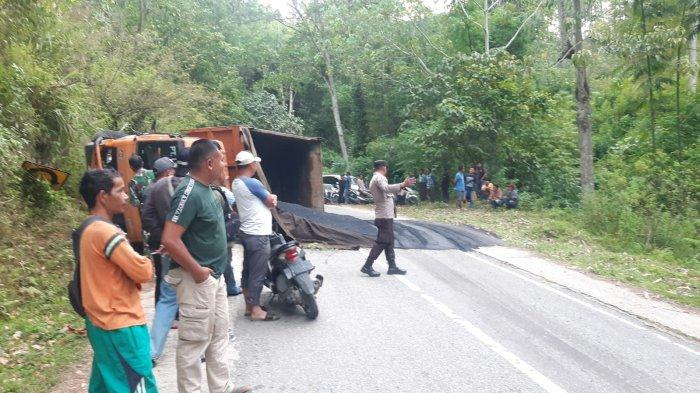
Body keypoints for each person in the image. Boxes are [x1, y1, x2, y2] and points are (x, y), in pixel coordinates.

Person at [161, 140, 251, 393]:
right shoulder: (188, 192)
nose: (225, 165)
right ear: (209, 162)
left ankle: (221, 388)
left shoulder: (210, 190)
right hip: (196, 280)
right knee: (194, 343)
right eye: (221, 160)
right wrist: (198, 271)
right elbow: (169, 239)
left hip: (215, 277)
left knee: (219, 335)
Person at [77, 169, 157, 392]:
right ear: (103, 196)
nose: (125, 196)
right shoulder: (106, 232)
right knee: (137, 384)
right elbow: (143, 272)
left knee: (105, 384)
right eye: (120, 191)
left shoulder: (88, 228)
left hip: (99, 322)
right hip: (120, 324)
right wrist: (146, 261)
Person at [142, 149, 189, 364]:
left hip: (169, 251)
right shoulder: (197, 187)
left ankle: (152, 352)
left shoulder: (157, 186)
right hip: (194, 253)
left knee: (167, 299)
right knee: (199, 299)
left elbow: (147, 216)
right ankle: (203, 349)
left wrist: (166, 239)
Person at [232, 150, 279, 322]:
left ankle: (248, 306)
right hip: (258, 233)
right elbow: (271, 202)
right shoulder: (253, 183)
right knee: (258, 273)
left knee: (248, 270)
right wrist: (273, 197)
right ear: (251, 165)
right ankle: (257, 310)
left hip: (247, 232)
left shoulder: (236, 183)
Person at [361, 160, 416, 277]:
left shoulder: (377, 178)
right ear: (384, 167)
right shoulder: (379, 178)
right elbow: (386, 188)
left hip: (386, 214)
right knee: (382, 241)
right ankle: (367, 265)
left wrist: (402, 188)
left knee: (389, 241)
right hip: (384, 215)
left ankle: (392, 266)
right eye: (386, 167)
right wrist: (402, 184)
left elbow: (387, 192)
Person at [142, 157, 176, 306]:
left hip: (156, 238)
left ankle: (167, 309)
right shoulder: (161, 189)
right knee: (165, 276)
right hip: (161, 240)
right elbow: (152, 217)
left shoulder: (150, 187)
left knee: (164, 275)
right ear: (168, 171)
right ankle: (164, 309)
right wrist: (164, 236)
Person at [213, 168, 242, 297]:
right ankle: (231, 286)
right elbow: (235, 205)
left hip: (212, 234)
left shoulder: (204, 192)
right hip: (225, 233)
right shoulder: (223, 192)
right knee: (226, 261)